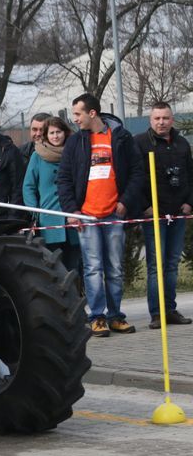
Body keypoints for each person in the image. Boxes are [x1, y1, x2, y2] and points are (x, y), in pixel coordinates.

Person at [57, 93, 144, 337]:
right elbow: (63, 179)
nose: (75, 120)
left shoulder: (121, 137)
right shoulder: (75, 143)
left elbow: (137, 172)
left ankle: (116, 316)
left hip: (114, 215)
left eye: (78, 114)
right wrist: (72, 211)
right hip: (87, 218)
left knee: (114, 268)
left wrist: (125, 201)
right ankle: (97, 317)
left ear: (92, 113)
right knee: (93, 269)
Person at [135, 101, 193, 329]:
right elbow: (135, 178)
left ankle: (170, 309)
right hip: (153, 215)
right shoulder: (140, 143)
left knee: (171, 264)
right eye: (157, 118)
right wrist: (144, 207)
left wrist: (190, 202)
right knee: (155, 266)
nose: (161, 122)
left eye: (165, 118)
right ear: (151, 120)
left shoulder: (181, 143)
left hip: (178, 213)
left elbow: (190, 174)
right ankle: (156, 313)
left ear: (172, 120)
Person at [22, 117, 80, 272]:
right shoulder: (37, 156)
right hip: (48, 222)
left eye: (58, 132)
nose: (55, 136)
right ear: (46, 135)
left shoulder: (75, 153)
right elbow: (28, 186)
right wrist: (35, 212)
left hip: (73, 220)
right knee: (54, 269)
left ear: (65, 133)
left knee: (75, 266)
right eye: (52, 133)